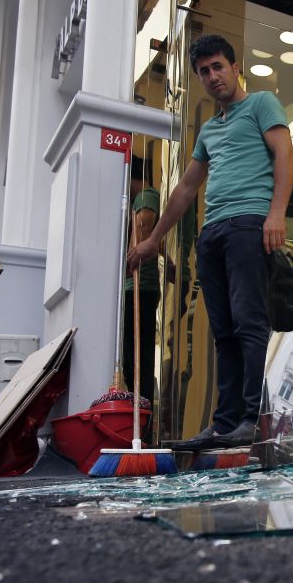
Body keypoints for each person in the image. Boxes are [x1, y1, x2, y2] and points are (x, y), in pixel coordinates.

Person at [127, 34, 293, 450]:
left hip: (248, 224)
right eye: (204, 71)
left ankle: (253, 420)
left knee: (249, 324)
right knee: (223, 332)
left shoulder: (262, 104)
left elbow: (285, 154)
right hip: (212, 234)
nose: (212, 76)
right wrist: (153, 240)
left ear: (235, 67)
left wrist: (276, 213)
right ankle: (224, 425)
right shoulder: (208, 129)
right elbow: (186, 188)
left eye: (218, 66)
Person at [123, 157, 160, 402]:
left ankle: (141, 411)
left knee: (136, 359)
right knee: (139, 357)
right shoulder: (149, 197)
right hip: (142, 286)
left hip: (139, 286)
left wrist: (129, 262)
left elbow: (143, 226)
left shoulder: (145, 196)